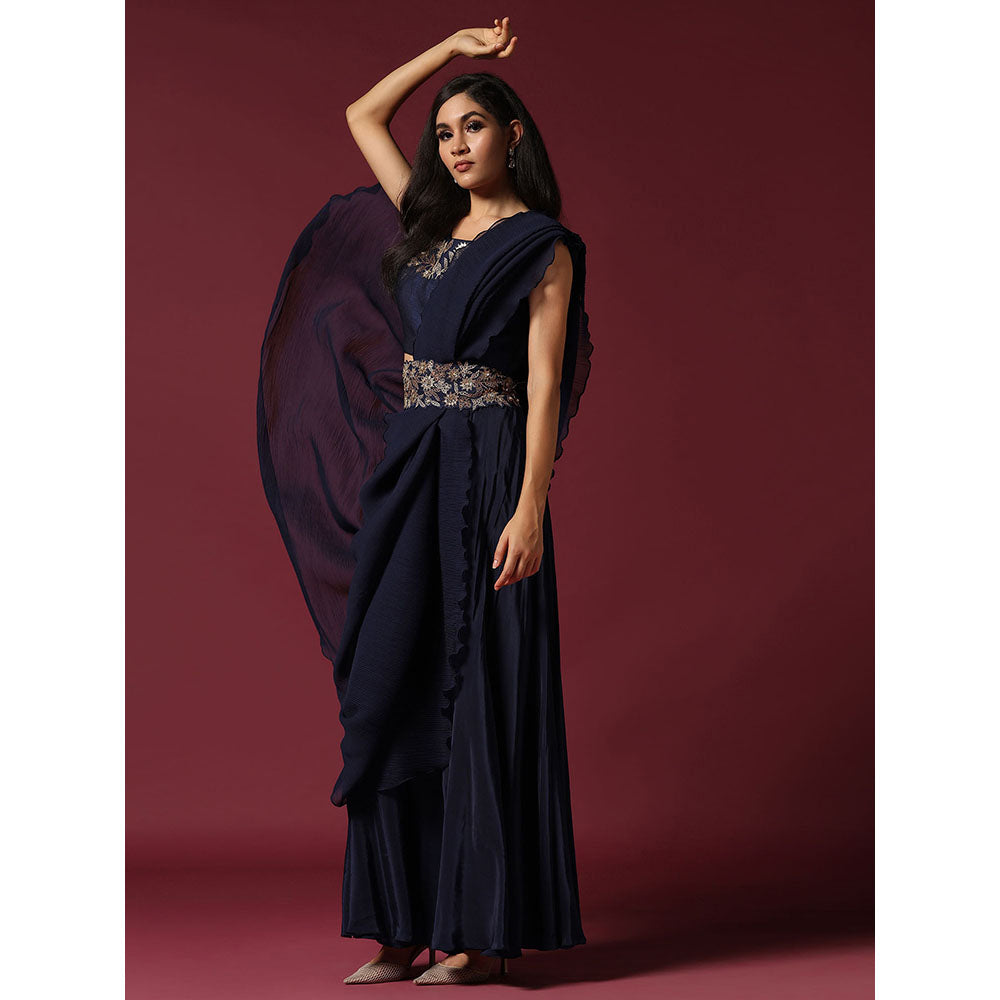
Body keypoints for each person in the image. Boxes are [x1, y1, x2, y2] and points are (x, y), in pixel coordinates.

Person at [257, 16, 593, 986]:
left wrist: (529, 507)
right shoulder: (424, 224)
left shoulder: (543, 248)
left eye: (472, 125)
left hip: (490, 466)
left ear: (513, 136)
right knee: (390, 673)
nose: (453, 144)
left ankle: (473, 934)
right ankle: (396, 927)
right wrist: (449, 52)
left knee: (481, 684)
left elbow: (541, 385)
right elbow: (362, 114)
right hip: (413, 466)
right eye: (443, 131)